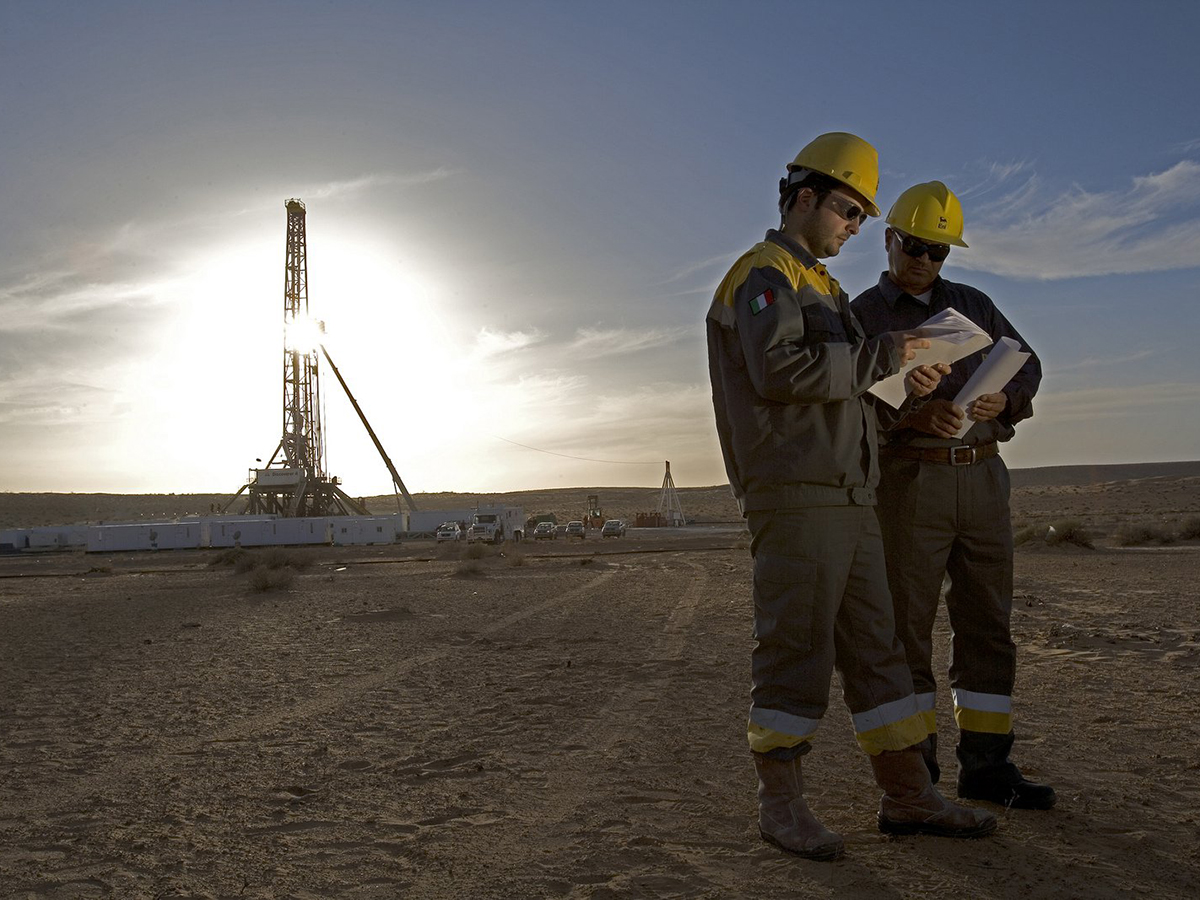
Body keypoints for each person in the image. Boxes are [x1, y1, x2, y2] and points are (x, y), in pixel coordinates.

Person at [706, 134, 996, 860]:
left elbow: (844, 393)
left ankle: (907, 795)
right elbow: (781, 373)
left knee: (880, 649)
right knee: (795, 647)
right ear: (804, 196)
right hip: (797, 496)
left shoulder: (827, 289)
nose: (855, 226)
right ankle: (781, 806)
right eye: (848, 209)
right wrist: (887, 355)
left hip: (852, 493)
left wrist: (903, 396)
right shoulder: (764, 275)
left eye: (865, 216)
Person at [850, 181, 1055, 810]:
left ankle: (988, 767)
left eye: (938, 251)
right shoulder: (861, 316)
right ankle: (919, 776)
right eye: (914, 246)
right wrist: (912, 417)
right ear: (888, 240)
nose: (925, 260)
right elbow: (844, 407)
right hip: (911, 484)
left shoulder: (974, 304)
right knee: (908, 631)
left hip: (984, 477)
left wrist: (1005, 399)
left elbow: (1028, 364)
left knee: (988, 624)